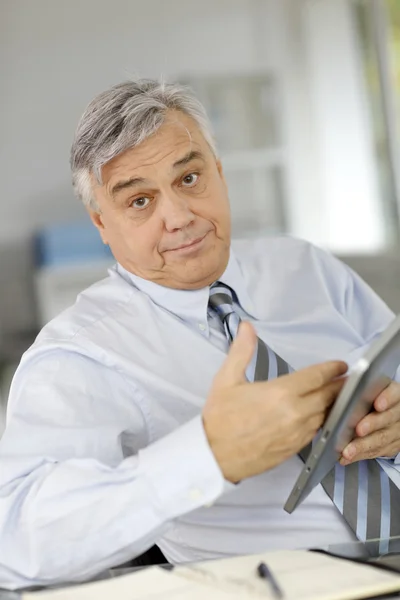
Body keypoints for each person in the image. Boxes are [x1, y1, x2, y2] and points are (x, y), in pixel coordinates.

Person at [0, 79, 399, 589]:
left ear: (220, 173)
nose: (179, 216)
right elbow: (15, 543)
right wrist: (209, 455)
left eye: (189, 178)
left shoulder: (305, 267)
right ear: (102, 222)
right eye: (140, 201)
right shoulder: (78, 358)